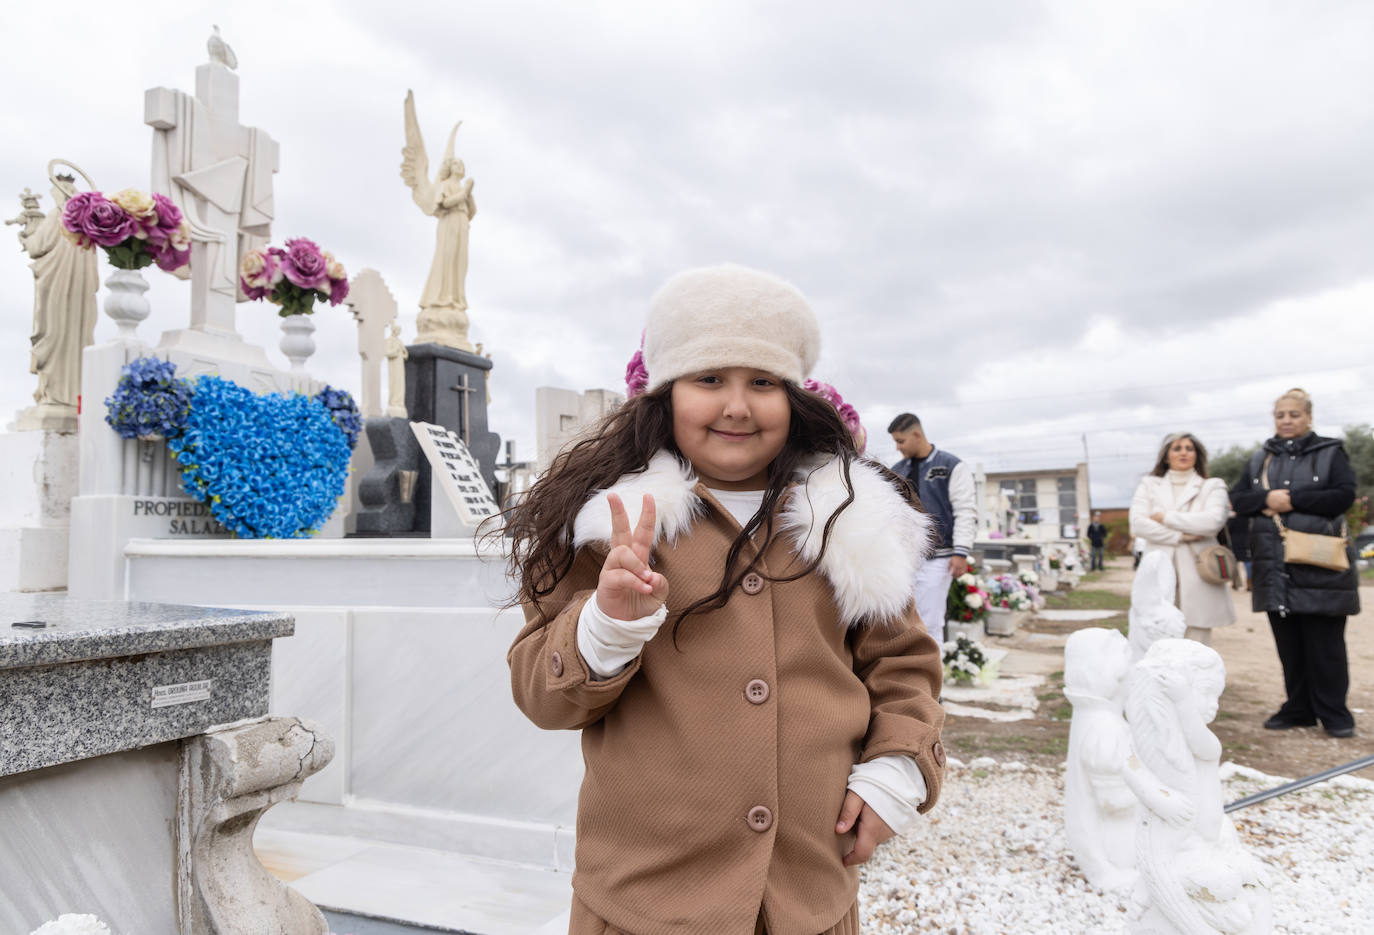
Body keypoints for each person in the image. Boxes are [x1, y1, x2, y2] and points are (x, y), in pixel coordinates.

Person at [505, 265, 945, 934]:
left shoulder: (846, 520)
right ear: (664, 394)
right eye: (709, 378)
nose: (737, 406)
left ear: (795, 396)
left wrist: (896, 770)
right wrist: (603, 627)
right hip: (645, 900)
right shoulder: (610, 522)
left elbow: (903, 665)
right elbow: (542, 693)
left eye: (762, 382)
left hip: (807, 894)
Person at [1229, 388, 1358, 738]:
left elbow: (1342, 496)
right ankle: (1298, 708)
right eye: (1280, 415)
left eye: (1294, 414)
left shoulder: (1330, 452)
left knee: (1326, 645)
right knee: (1289, 644)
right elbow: (1238, 499)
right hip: (1274, 563)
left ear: (1309, 417)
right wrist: (1265, 498)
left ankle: (1335, 714)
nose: (1287, 421)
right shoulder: (1260, 459)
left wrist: (1290, 500)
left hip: (1319, 562)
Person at [1128, 432, 1236, 644]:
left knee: (1196, 635)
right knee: (1156, 631)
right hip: (1159, 565)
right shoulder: (1149, 485)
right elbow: (1138, 524)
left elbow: (1212, 521)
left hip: (1199, 569)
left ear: (1197, 454)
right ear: (1166, 455)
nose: (1183, 453)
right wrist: (1180, 536)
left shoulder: (1212, 485)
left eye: (1189, 448)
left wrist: (1164, 517)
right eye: (1177, 448)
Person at [887, 413, 976, 645]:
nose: (897, 447)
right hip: (904, 560)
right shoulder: (897, 469)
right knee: (900, 622)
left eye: (901, 441)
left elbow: (965, 510)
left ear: (917, 435)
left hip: (940, 558)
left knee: (930, 622)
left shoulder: (951, 466)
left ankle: (932, 678)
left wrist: (961, 552)